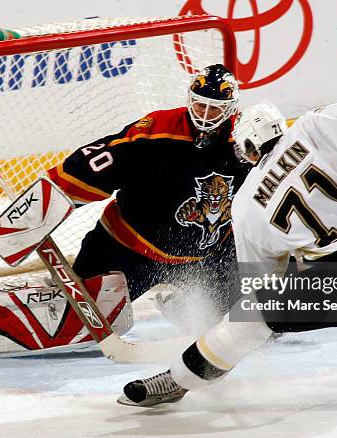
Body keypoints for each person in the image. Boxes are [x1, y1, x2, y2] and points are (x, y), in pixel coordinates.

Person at [118, 95, 337, 407]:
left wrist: (301, 273)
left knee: (257, 313)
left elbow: (260, 288)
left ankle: (176, 380)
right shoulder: (311, 127)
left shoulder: (246, 205)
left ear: (244, 146)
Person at [47, 63, 250, 315]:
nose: (205, 114)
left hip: (207, 258)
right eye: (200, 105)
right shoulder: (158, 129)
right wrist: (52, 194)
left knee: (254, 320)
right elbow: (106, 158)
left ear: (230, 109)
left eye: (215, 108)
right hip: (129, 250)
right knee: (79, 320)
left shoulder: (245, 141)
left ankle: (179, 307)